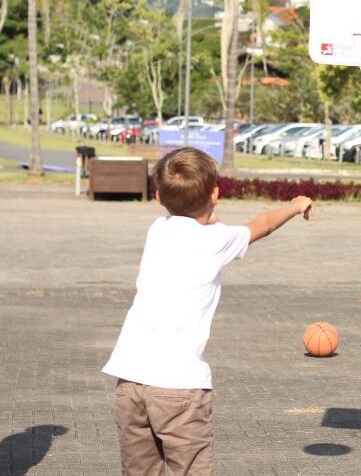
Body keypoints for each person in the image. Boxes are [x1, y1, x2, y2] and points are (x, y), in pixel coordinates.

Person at [102, 147, 313, 476]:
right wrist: (296, 205)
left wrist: (208, 213)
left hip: (130, 381)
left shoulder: (158, 229)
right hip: (179, 386)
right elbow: (264, 224)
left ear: (158, 197)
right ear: (215, 193)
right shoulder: (217, 239)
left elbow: (196, 220)